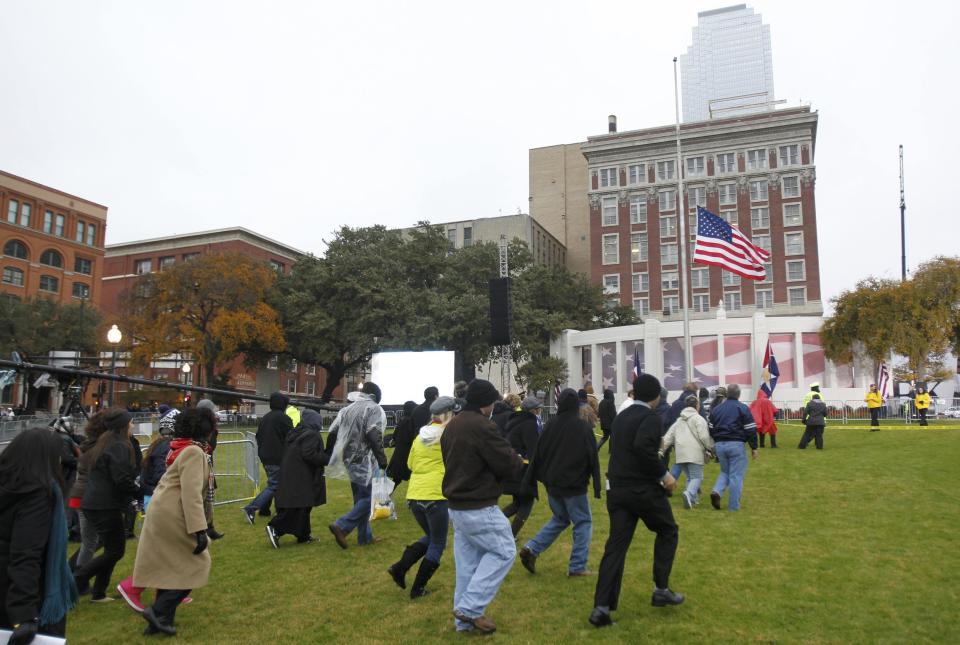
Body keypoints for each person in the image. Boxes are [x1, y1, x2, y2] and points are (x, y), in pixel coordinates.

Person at [590, 374, 682, 629]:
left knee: (616, 546)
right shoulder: (651, 417)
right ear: (656, 397)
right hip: (642, 489)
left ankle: (602, 607)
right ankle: (661, 588)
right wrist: (664, 475)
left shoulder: (622, 418)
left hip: (617, 489)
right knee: (668, 530)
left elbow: (629, 447)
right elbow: (642, 448)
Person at [441, 379, 523, 634]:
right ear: (486, 403)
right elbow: (505, 463)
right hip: (479, 505)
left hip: (457, 505)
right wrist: (517, 461)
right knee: (504, 551)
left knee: (467, 565)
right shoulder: (482, 426)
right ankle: (470, 608)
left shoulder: (453, 425)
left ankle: (462, 622)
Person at [132, 407, 214, 636]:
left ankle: (160, 620)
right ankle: (157, 610)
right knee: (195, 564)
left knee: (172, 565)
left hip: (163, 508)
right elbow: (191, 494)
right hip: (174, 511)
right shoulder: (194, 453)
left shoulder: (182, 448)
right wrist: (200, 530)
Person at [0, 428, 79, 643]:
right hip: (20, 595)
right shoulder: (37, 495)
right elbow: (26, 554)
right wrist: (24, 614)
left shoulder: (9, 485)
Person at [518, 389, 601, 577]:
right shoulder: (582, 427)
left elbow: (539, 452)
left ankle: (531, 549)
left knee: (561, 518)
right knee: (583, 522)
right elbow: (592, 457)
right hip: (574, 484)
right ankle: (577, 566)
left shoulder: (550, 425)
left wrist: (536, 477)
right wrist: (593, 481)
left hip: (552, 483)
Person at [387, 396, 459, 599]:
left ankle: (400, 568)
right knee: (438, 542)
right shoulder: (448, 435)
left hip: (415, 495)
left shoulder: (420, 437)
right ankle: (418, 588)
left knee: (432, 536)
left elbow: (410, 464)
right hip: (436, 495)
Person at [73, 409, 141, 603]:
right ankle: (78, 579)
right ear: (123, 425)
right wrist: (140, 491)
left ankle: (98, 592)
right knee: (115, 550)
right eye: (131, 423)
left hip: (97, 503)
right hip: (104, 504)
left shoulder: (106, 443)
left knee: (112, 549)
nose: (133, 426)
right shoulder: (118, 446)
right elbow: (121, 478)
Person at [327, 382, 389, 549]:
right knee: (371, 499)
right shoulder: (373, 408)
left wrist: (330, 454)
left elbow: (332, 432)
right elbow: (373, 433)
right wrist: (381, 458)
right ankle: (342, 525)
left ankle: (364, 537)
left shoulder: (346, 409)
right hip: (365, 460)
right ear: (375, 396)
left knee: (360, 499)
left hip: (350, 460)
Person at [266, 409, 330, 547]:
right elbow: (310, 454)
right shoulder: (311, 435)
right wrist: (326, 458)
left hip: (293, 474)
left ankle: (303, 535)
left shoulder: (297, 432)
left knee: (303, 506)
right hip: (302, 475)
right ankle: (275, 528)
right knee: (298, 507)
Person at [243, 392, 294, 523]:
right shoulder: (284, 418)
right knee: (275, 485)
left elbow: (258, 436)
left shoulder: (266, 418)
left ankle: (265, 510)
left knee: (273, 482)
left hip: (265, 455)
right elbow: (291, 438)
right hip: (277, 456)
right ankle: (251, 508)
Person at [67, 412, 108, 573]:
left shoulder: (89, 445)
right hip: (87, 496)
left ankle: (75, 573)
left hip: (83, 495)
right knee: (91, 541)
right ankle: (79, 577)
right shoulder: (96, 448)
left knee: (92, 540)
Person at [707, 384, 758, 512]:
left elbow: (710, 428)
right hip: (736, 444)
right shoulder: (743, 408)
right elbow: (750, 429)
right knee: (736, 475)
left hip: (720, 445)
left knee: (725, 472)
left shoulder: (717, 409)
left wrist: (717, 440)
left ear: (727, 394)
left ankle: (717, 491)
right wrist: (754, 447)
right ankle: (734, 506)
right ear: (739, 395)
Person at [660, 396, 714, 509]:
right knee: (697, 477)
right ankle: (688, 494)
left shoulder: (679, 421)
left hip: (680, 454)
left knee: (690, 476)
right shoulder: (699, 419)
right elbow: (704, 437)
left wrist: (661, 450)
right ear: (697, 406)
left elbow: (668, 437)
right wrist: (710, 447)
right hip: (694, 453)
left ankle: (693, 500)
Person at [500, 396, 542, 538]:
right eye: (538, 409)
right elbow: (533, 449)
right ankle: (511, 535)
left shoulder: (514, 421)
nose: (539, 411)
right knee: (526, 504)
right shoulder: (530, 424)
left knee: (517, 503)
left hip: (512, 466)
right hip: (524, 469)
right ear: (532, 410)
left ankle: (495, 524)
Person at [386, 401, 418, 485]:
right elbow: (412, 436)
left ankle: (385, 496)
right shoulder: (410, 421)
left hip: (399, 453)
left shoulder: (402, 420)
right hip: (407, 453)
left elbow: (394, 436)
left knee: (397, 479)